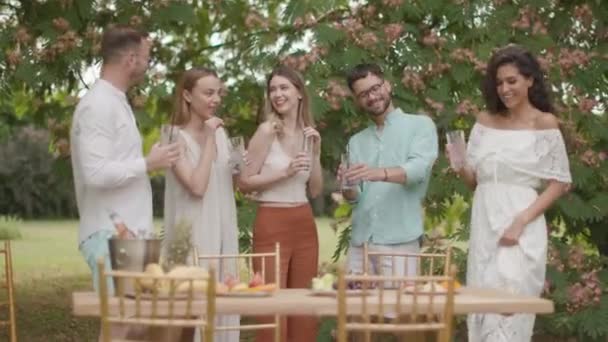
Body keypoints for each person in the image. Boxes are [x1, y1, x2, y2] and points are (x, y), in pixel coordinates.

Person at [446, 44, 571, 341]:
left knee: (508, 315)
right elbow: (475, 181)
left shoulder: (544, 123)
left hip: (521, 225)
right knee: (482, 311)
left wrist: (521, 221)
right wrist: (460, 164)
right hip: (484, 224)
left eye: (512, 81)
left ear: (530, 80)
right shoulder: (484, 121)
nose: (504, 89)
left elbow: (560, 182)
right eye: (499, 82)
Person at [70, 25, 180, 340]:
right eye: (146, 57)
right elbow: (95, 173)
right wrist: (148, 163)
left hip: (129, 236)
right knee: (122, 327)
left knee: (135, 330)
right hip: (109, 235)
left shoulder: (115, 101)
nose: (148, 64)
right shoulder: (98, 106)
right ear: (131, 59)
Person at [241, 65, 323, 342]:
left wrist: (318, 154)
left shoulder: (309, 134)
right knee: (270, 310)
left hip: (304, 223)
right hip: (271, 221)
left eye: (284, 87)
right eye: (273, 89)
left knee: (304, 308)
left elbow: (315, 189)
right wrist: (284, 172)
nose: (277, 94)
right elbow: (243, 181)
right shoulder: (266, 132)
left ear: (299, 93)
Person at [162, 67, 240, 342]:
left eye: (218, 93)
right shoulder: (171, 136)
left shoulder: (220, 134)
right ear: (186, 95)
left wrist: (243, 167)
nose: (216, 99)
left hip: (221, 233)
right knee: (189, 315)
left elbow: (230, 183)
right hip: (190, 237)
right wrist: (208, 138)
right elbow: (196, 186)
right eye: (208, 93)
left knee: (221, 307)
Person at [339, 63, 438, 277]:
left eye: (375, 88)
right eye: (364, 94)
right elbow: (354, 198)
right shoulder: (356, 142)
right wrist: (347, 185)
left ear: (388, 86)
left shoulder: (421, 125)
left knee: (396, 310)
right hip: (360, 244)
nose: (372, 97)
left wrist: (378, 173)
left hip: (400, 243)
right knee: (354, 310)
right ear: (357, 100)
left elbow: (418, 170)